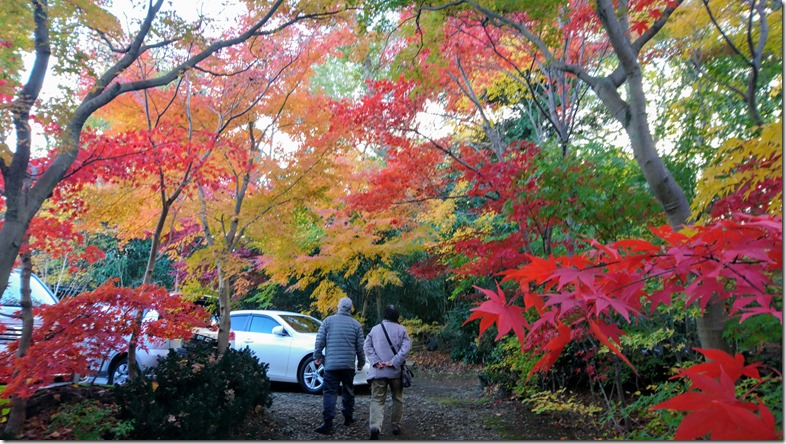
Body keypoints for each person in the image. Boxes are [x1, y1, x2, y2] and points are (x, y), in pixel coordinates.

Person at [313, 297, 365, 435]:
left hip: (331, 365)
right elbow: (360, 347)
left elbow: (320, 341)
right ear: (350, 309)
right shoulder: (356, 325)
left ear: (338, 307)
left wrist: (317, 356)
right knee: (348, 390)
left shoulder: (328, 321)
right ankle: (348, 418)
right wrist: (361, 362)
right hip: (348, 365)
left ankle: (328, 423)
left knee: (330, 392)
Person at [363, 304, 411, 440]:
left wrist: (375, 360)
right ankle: (396, 426)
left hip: (378, 372)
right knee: (397, 398)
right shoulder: (402, 330)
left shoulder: (375, 329)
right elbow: (406, 348)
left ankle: (375, 427)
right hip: (395, 372)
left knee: (377, 400)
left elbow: (366, 345)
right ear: (397, 316)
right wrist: (394, 361)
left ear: (384, 315)